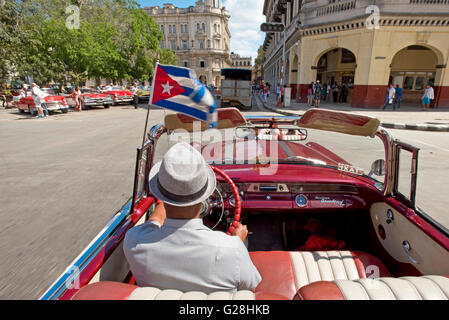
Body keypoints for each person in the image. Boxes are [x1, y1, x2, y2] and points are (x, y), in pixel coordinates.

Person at [124, 142, 261, 293]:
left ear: (159, 195)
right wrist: (238, 241)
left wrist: (168, 195)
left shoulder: (134, 241)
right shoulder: (232, 249)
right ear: (205, 197)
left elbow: (154, 222)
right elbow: (251, 288)